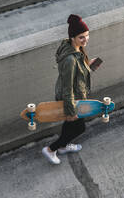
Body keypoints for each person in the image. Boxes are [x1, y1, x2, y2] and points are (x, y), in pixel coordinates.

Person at [42, 14, 95, 164]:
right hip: (71, 98)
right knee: (79, 128)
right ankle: (51, 149)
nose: (86, 39)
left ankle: (63, 146)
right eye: (81, 37)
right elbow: (67, 87)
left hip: (74, 96)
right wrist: (71, 110)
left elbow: (76, 75)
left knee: (70, 124)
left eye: (87, 35)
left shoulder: (75, 50)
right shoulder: (70, 59)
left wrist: (87, 66)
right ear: (72, 37)